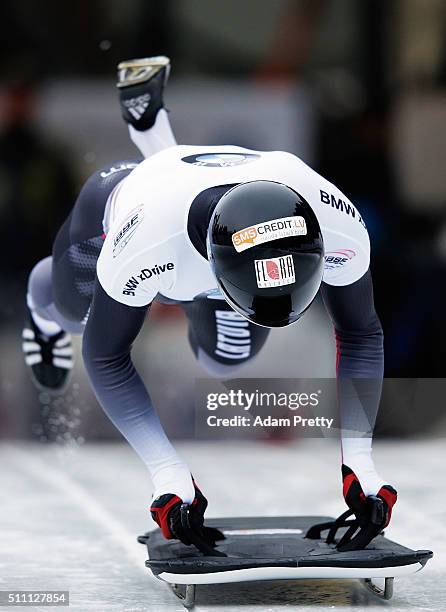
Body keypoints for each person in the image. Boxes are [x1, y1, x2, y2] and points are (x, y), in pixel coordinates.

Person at [22, 56, 396, 551]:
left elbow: (361, 332)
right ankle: (41, 303)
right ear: (218, 273)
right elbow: (106, 355)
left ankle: (151, 127)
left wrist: (361, 465)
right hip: (123, 206)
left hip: (201, 219)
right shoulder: (149, 245)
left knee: (224, 357)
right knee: (72, 312)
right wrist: (168, 475)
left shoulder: (340, 224)